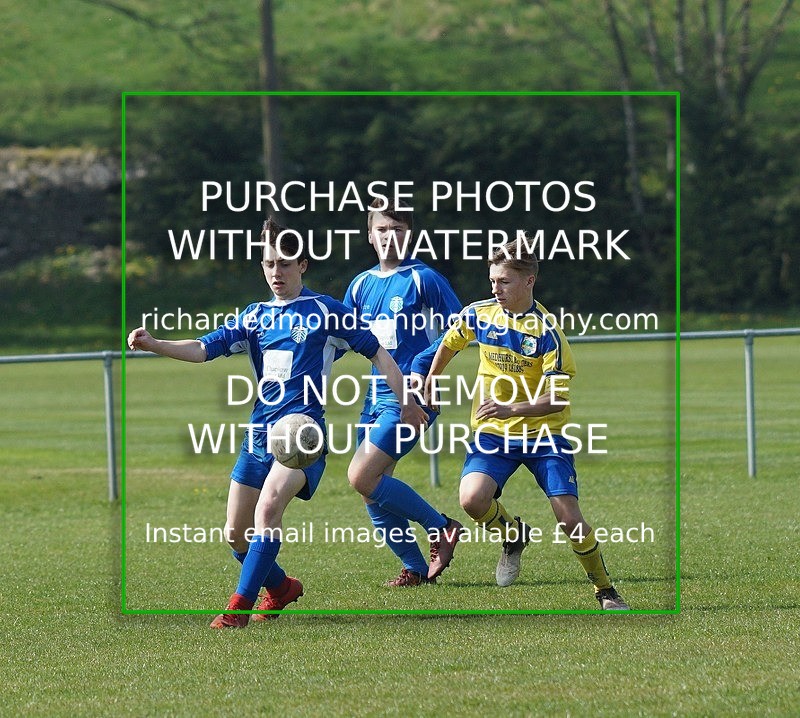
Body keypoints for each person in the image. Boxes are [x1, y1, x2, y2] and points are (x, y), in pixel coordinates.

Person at [127, 218, 428, 628]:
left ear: (302, 265)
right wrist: (155, 344)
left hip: (303, 437)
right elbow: (202, 349)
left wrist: (407, 401)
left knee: (268, 510)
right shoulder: (253, 318)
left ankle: (238, 608)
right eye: (269, 264)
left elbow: (379, 354)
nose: (276, 272)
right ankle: (282, 587)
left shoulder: (326, 312)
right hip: (258, 437)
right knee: (235, 534)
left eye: (285, 264)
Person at [421, 236, 629, 610]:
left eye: (504, 281)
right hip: (495, 435)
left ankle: (604, 590)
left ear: (529, 281)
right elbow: (452, 341)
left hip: (544, 434)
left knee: (569, 517)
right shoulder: (478, 313)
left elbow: (556, 399)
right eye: (492, 281)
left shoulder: (548, 333)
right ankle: (514, 536)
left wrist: (509, 409)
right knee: (471, 499)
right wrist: (433, 378)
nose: (495, 289)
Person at [343, 198, 464, 586]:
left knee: (362, 476)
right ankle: (414, 568)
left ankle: (441, 526)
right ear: (369, 235)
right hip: (373, 397)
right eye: (382, 229)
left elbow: (459, 328)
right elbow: (344, 334)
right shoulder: (360, 285)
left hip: (413, 396)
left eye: (397, 229)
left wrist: (419, 366)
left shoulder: (423, 278)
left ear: (409, 233)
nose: (389, 236)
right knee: (372, 490)